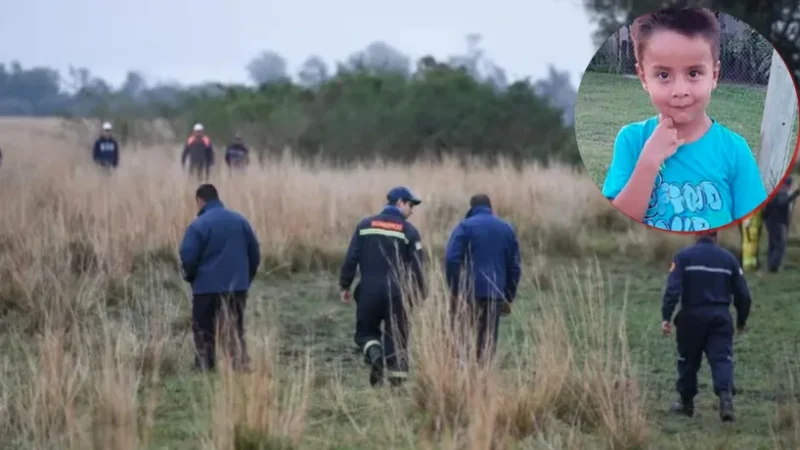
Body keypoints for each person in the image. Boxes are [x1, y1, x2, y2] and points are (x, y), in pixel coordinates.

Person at [601, 7, 767, 232]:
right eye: (663, 75)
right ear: (643, 78)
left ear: (714, 76)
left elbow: (751, 228)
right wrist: (649, 159)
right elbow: (618, 228)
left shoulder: (734, 150)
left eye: (693, 73)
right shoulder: (631, 141)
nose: (680, 90)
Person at [339, 186, 426, 387]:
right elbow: (417, 267)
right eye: (410, 204)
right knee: (397, 336)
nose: (412, 210)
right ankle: (397, 385)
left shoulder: (365, 225)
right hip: (398, 294)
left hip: (368, 291)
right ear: (399, 203)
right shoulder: (409, 231)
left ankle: (375, 354)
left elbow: (352, 258)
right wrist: (419, 295)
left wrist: (345, 284)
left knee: (365, 333)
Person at [661, 231, 751, 422]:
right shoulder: (729, 259)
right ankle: (726, 399)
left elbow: (673, 289)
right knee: (722, 359)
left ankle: (686, 403)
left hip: (691, 317)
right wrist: (741, 321)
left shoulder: (683, 257)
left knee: (687, 361)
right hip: (720, 317)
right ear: (716, 235)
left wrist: (666, 317)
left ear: (695, 234)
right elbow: (744, 295)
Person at [178, 184, 261, 372]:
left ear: (200, 201)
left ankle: (205, 367)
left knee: (204, 330)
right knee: (234, 329)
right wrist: (245, 280)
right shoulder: (240, 221)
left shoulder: (198, 225)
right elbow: (255, 254)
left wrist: (192, 277)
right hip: (237, 288)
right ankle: (239, 367)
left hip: (206, 289)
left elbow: (188, 256)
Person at [444, 194, 521, 366]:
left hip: (468, 293)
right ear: (490, 208)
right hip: (494, 293)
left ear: (471, 208)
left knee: (461, 334)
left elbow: (451, 260)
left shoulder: (464, 226)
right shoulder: (506, 228)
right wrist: (508, 296)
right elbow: (515, 267)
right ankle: (482, 376)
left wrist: (456, 289)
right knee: (487, 338)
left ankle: (460, 373)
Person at [762, 176, 799, 272]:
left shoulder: (772, 192)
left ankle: (771, 265)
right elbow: (782, 203)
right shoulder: (781, 192)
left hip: (770, 222)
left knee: (772, 244)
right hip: (779, 222)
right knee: (780, 245)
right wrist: (795, 194)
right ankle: (774, 266)